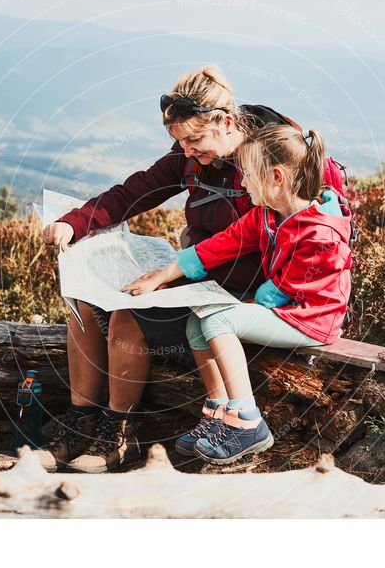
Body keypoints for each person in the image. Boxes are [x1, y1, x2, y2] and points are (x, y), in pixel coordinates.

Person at [40, 65, 301, 473]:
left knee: (128, 315)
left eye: (195, 139)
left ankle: (116, 436)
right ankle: (79, 424)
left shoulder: (275, 157)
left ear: (227, 122)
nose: (188, 151)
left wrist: (174, 274)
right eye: (180, 142)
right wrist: (73, 222)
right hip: (200, 279)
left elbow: (281, 234)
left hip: (251, 293)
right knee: (84, 301)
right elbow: (134, 192)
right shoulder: (191, 158)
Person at [121, 124, 353, 465]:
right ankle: (218, 413)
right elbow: (221, 245)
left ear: (275, 177)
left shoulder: (323, 232)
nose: (242, 184)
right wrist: (165, 274)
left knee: (218, 317)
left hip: (312, 320)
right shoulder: (266, 215)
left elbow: (290, 291)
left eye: (248, 175)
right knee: (197, 322)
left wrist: (245, 305)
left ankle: (247, 421)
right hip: (287, 310)